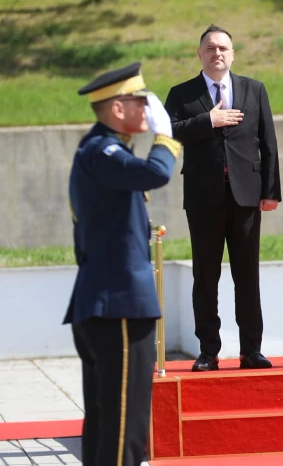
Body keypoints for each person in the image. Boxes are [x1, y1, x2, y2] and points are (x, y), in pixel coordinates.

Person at [65, 62, 181, 466]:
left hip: (110, 303)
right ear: (117, 109)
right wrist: (166, 137)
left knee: (106, 421)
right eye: (141, 100)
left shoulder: (103, 150)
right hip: (119, 308)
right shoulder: (103, 152)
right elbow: (156, 173)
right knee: (123, 428)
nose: (149, 108)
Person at [163, 25, 281, 372]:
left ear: (233, 54)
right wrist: (207, 120)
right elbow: (167, 130)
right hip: (203, 197)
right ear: (199, 54)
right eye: (210, 48)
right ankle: (207, 350)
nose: (217, 53)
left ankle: (251, 349)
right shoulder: (182, 93)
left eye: (224, 48)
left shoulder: (254, 89)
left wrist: (271, 191)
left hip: (246, 196)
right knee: (206, 275)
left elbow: (268, 142)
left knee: (247, 275)